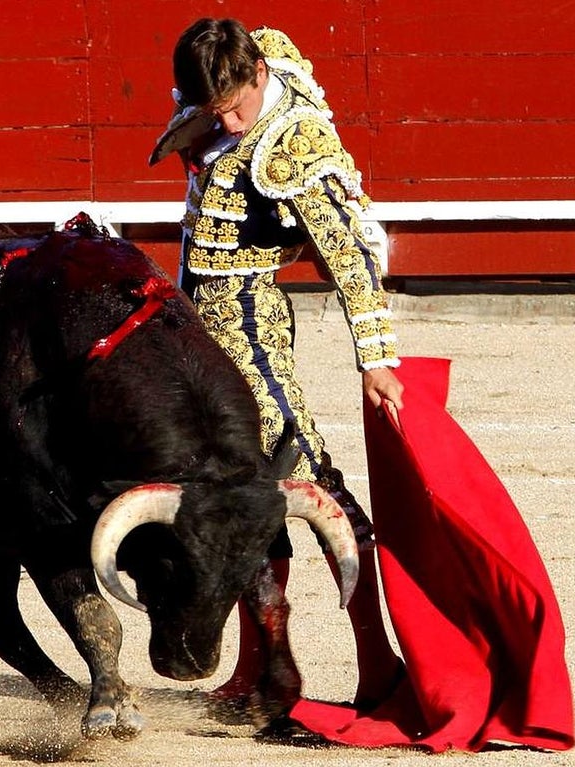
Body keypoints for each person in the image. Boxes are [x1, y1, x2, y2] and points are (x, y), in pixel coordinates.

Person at [149, 17, 405, 721]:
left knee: (312, 478)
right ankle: (256, 662)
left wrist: (377, 358)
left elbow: (351, 255)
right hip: (203, 322)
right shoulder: (228, 78)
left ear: (260, 77)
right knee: (244, 491)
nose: (227, 121)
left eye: (235, 106)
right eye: (214, 111)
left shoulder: (294, 144)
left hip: (252, 325)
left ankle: (378, 660)